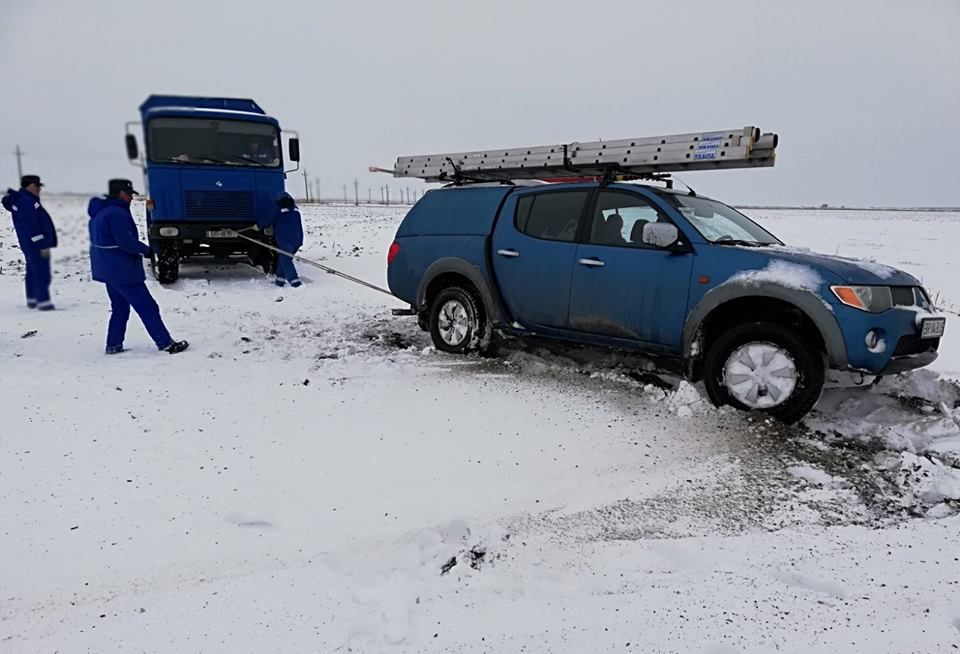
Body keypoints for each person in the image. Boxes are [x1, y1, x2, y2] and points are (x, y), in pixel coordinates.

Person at [87, 179, 189, 355]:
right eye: (129, 194)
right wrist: (146, 251)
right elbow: (125, 241)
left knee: (120, 308)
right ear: (120, 193)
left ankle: (113, 345)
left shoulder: (101, 212)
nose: (131, 198)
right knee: (148, 306)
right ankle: (166, 344)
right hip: (122, 270)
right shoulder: (117, 214)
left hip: (108, 268)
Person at [1, 175, 58, 310]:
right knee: (40, 271)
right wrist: (41, 243)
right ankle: (43, 302)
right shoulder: (26, 201)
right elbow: (31, 224)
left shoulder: (24, 200)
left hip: (30, 243)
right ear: (31, 186)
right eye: (38, 186)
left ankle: (33, 299)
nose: (39, 189)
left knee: (33, 269)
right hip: (35, 244)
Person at [256, 192, 303, 287]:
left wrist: (257, 226)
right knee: (284, 258)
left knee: (285, 259)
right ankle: (280, 280)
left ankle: (295, 281)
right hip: (298, 240)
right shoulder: (296, 210)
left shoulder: (277, 211)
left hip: (285, 240)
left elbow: (265, 221)